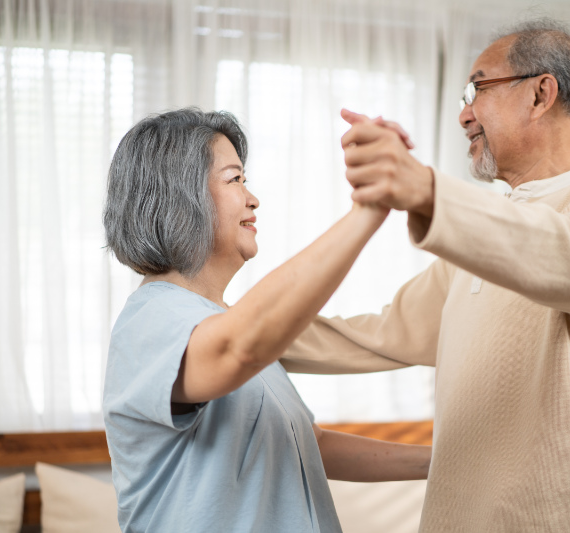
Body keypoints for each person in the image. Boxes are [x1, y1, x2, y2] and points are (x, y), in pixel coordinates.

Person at [282, 18, 570, 533]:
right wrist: (234, 333)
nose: (463, 114)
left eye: (476, 89)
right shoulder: (482, 237)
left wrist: (427, 191)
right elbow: (378, 336)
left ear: (541, 94)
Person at [101, 108, 431, 533]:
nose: (252, 198)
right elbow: (237, 349)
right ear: (181, 195)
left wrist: (441, 462)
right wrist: (368, 207)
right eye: (235, 179)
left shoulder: (222, 321)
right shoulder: (150, 320)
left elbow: (306, 446)